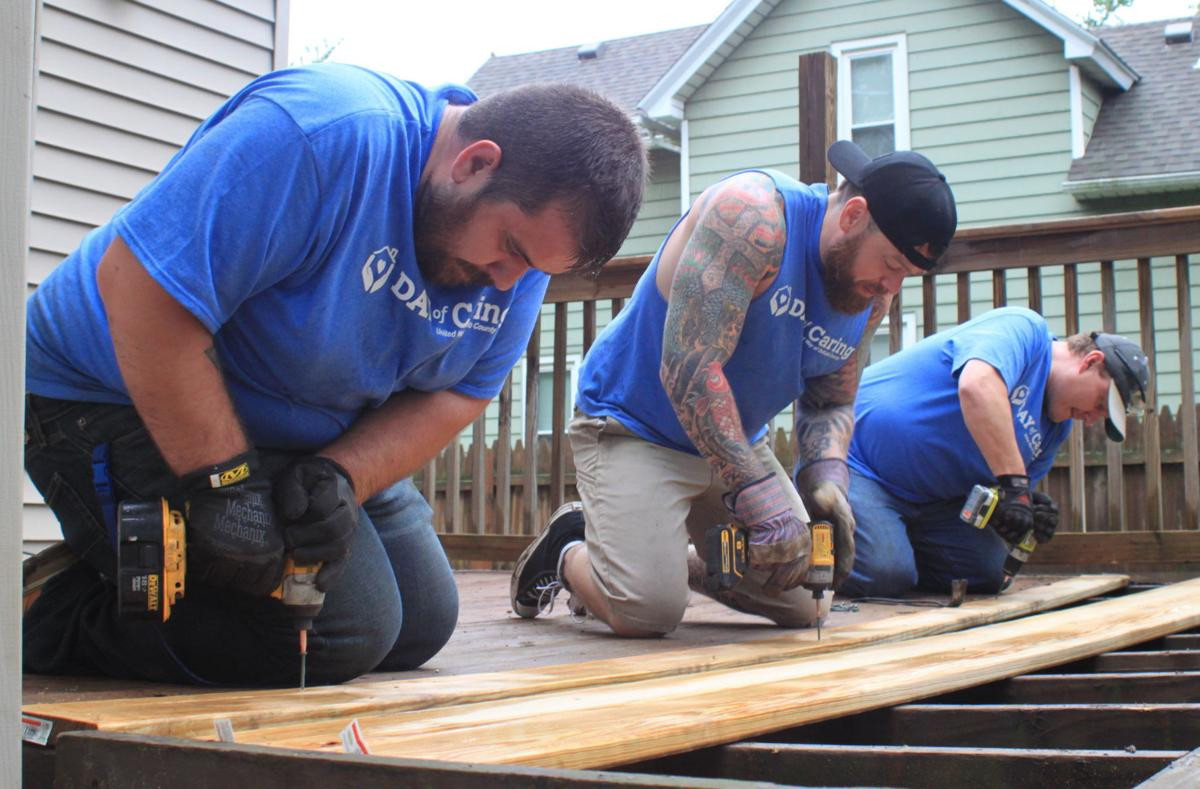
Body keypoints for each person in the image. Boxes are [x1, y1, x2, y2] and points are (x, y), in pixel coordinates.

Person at [23, 62, 647, 686]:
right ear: (474, 164)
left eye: (536, 268)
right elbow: (135, 290)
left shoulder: (517, 264)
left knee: (422, 620)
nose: (509, 282)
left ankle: (123, 566)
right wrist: (224, 483)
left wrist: (340, 474)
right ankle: (43, 613)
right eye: (511, 248)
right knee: (336, 634)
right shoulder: (321, 135)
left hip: (294, 432)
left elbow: (461, 393)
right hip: (108, 389)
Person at [509, 140, 957, 636]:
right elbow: (688, 366)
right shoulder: (753, 217)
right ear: (853, 215)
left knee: (807, 600)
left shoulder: (869, 294)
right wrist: (757, 493)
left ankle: (657, 562)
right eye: (893, 265)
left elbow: (830, 398)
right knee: (647, 612)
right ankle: (568, 547)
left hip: (733, 440)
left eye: (907, 277)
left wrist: (827, 479)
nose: (892, 287)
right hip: (632, 425)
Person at [840, 307, 1150, 598]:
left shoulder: (1055, 430)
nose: (1092, 418)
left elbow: (996, 495)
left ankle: (891, 557)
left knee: (986, 573)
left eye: (1102, 417)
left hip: (934, 502)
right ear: (1091, 362)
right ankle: (841, 544)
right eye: (1099, 404)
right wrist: (1016, 485)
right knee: (885, 573)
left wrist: (1017, 512)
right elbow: (977, 385)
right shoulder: (1025, 331)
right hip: (858, 462)